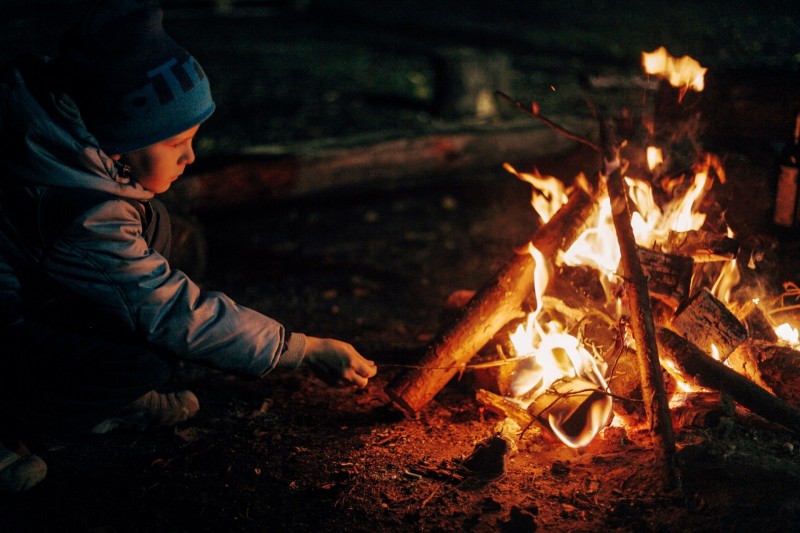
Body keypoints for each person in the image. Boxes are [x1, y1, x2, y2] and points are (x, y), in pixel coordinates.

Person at [0, 0, 377, 492]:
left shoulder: (68, 148)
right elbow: (173, 311)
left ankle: (106, 400)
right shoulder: (81, 214)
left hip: (33, 297)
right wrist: (302, 350)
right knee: (147, 353)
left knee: (156, 222)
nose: (192, 156)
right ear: (117, 144)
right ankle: (16, 438)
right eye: (176, 144)